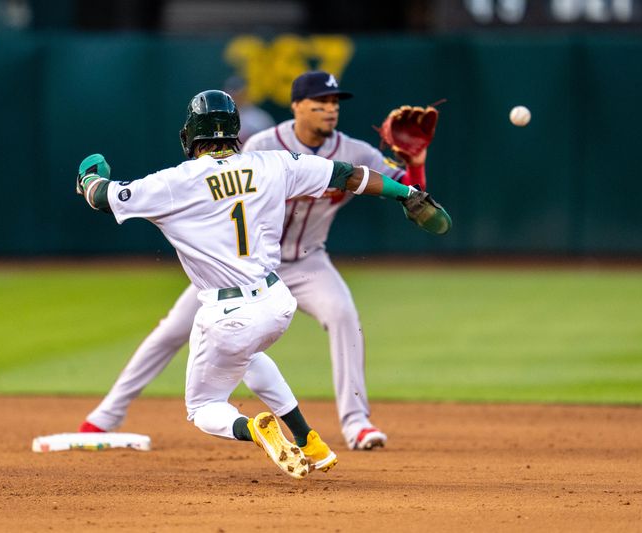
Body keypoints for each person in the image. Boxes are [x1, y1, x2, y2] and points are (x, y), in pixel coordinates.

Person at [75, 89, 448, 477]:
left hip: (226, 311)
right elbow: (346, 174)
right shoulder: (273, 163)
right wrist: (408, 193)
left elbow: (103, 198)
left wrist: (89, 176)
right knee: (248, 356)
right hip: (275, 301)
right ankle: (309, 440)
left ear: (190, 135)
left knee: (203, 407)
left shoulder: (173, 182)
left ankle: (253, 427)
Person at [223, 75, 276, 144]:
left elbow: (271, 143)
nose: (235, 97)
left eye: (239, 94)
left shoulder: (260, 118)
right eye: (232, 94)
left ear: (246, 93)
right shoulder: (219, 118)